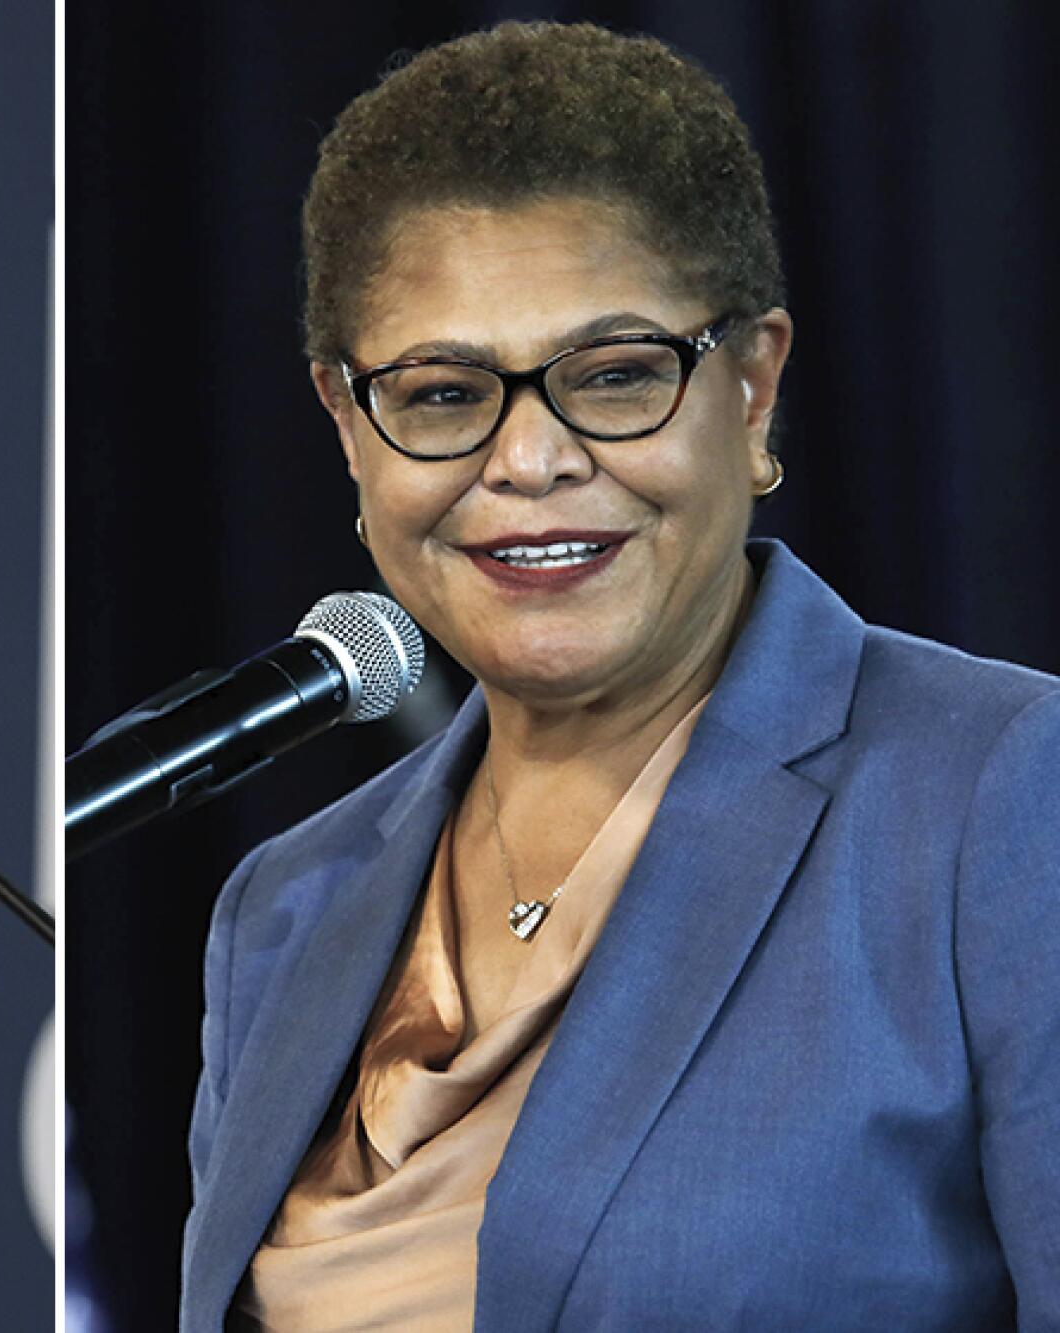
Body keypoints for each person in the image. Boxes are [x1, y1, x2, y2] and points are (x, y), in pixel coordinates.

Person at [183, 22, 1060, 1331]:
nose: (528, 460)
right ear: (346, 426)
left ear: (754, 387)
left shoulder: (999, 792)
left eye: (614, 377)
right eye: (438, 394)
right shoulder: (284, 910)